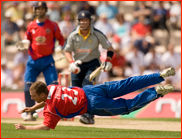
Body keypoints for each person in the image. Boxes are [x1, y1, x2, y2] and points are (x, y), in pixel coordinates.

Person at [14, 67, 176, 130]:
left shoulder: (50, 110)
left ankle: (155, 92)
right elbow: (47, 99)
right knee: (127, 84)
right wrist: (33, 108)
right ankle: (159, 75)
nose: (31, 97)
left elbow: (46, 127)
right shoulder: (51, 87)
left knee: (127, 106)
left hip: (93, 104)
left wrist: (25, 128)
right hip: (92, 89)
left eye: (33, 96)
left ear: (42, 95)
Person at [64, 10, 115, 124]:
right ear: (78, 22)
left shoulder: (97, 34)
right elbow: (67, 51)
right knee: (76, 91)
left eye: (86, 20)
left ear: (90, 21)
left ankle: (88, 116)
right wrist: (71, 62)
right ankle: (74, 113)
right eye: (81, 21)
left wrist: (107, 61)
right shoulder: (73, 35)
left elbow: (110, 48)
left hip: (93, 63)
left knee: (87, 87)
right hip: (77, 64)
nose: (84, 23)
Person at [19, 1, 65, 121]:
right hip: (33, 61)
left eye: (41, 8)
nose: (39, 11)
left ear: (45, 10)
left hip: (47, 60)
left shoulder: (53, 25)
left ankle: (55, 112)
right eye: (37, 9)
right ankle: (30, 113)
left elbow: (61, 39)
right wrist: (24, 43)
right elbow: (27, 39)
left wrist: (60, 47)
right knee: (27, 86)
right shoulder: (31, 25)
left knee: (54, 87)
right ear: (35, 10)